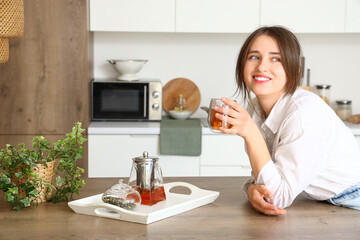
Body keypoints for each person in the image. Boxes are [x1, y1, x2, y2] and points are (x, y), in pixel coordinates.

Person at [214, 26, 360, 215]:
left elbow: (278, 198)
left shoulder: (303, 114)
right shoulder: (256, 107)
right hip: (326, 202)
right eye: (254, 57)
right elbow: (266, 177)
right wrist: (252, 189)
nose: (262, 66)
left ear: (294, 70)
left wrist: (251, 133)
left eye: (276, 59)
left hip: (353, 198)